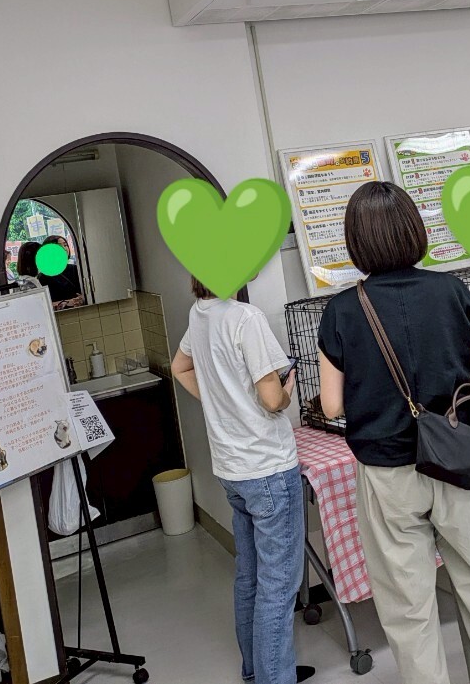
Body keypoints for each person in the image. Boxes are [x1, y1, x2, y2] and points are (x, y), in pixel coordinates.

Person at [317, 182, 470, 684]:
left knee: (407, 606)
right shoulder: (452, 291)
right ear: (415, 230)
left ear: (356, 242)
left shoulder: (341, 311)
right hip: (461, 459)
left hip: (387, 472)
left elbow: (331, 405)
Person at [170, 277, 314, 684]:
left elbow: (180, 367)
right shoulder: (245, 318)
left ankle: (257, 671)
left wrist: (224, 402)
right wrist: (286, 391)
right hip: (267, 467)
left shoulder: (199, 314)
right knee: (278, 585)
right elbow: (272, 400)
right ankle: (275, 678)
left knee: (250, 576)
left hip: (232, 470)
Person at [41, 235, 85, 308]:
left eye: (65, 245)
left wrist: (83, 298)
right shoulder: (43, 277)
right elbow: (44, 304)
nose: (64, 249)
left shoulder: (76, 269)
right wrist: (67, 303)